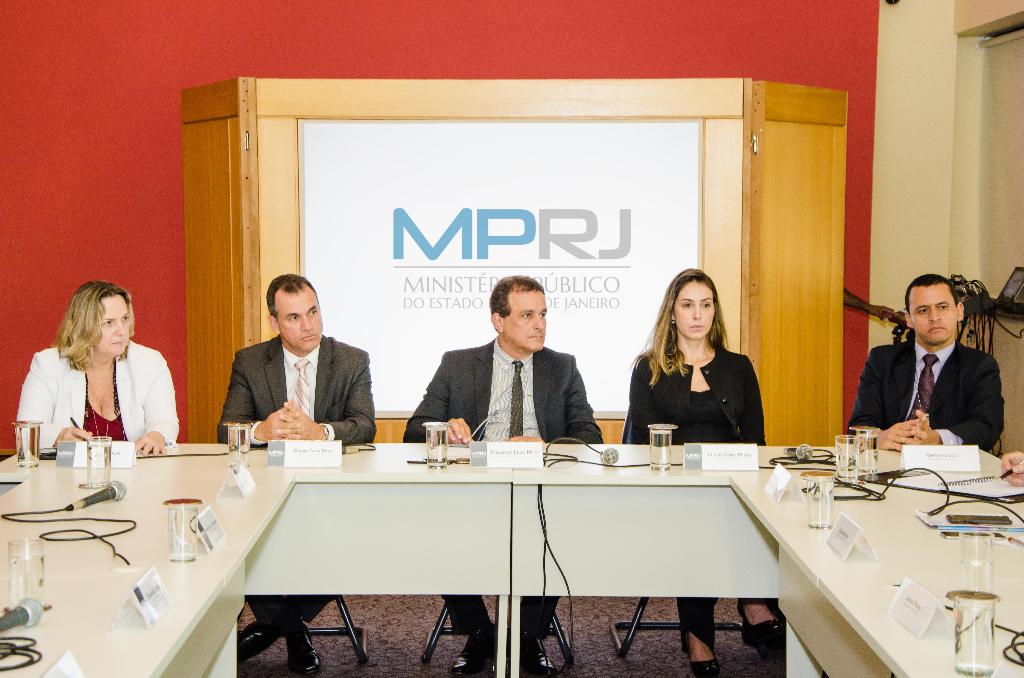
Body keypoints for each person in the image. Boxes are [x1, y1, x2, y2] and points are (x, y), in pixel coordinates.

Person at [404, 275, 601, 676]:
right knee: (437, 527)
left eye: (543, 314)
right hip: (474, 488)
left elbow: (589, 435)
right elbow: (414, 429)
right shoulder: (458, 364)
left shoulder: (562, 367)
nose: (540, 324)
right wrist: (445, 428)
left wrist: (544, 444)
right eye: (527, 315)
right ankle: (480, 630)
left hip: (540, 489)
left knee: (558, 528)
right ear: (498, 320)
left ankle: (526, 634)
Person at [625, 268, 779, 677]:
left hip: (732, 482)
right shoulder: (648, 368)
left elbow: (756, 438)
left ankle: (748, 602)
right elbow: (642, 439)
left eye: (706, 305)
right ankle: (716, 624)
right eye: (688, 305)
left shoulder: (738, 367)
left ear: (715, 311)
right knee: (697, 521)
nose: (698, 314)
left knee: (756, 511)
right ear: (672, 313)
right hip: (672, 487)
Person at [220, 273, 375, 675]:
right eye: (294, 317)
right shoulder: (251, 361)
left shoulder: (351, 359)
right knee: (237, 534)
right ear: (274, 322)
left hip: (331, 491)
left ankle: (276, 625)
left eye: (313, 312)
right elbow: (227, 429)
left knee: (353, 539)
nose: (308, 325)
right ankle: (291, 627)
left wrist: (319, 432)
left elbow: (364, 425)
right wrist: (262, 430)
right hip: (266, 490)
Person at [17, 280, 177, 455]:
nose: (122, 331)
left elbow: (165, 421)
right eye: (109, 323)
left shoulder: (150, 362)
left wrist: (156, 435)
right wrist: (58, 436)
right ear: (84, 326)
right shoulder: (48, 364)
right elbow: (26, 430)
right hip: (67, 472)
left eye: (125, 319)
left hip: (138, 470)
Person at [848, 273, 1003, 452]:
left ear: (959, 311)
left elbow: (986, 427)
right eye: (923, 310)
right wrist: (877, 437)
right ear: (908, 319)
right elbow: (859, 425)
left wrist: (938, 438)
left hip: (947, 464)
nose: (934, 317)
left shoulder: (980, 366)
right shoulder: (882, 360)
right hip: (890, 459)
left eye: (942, 307)